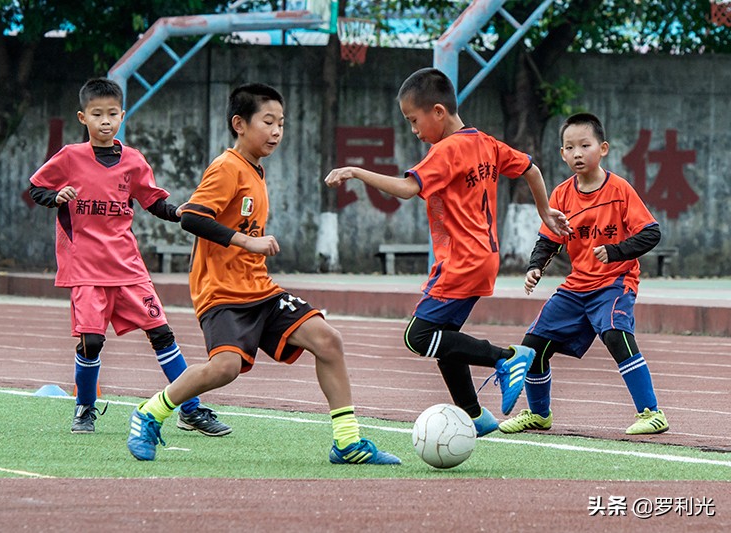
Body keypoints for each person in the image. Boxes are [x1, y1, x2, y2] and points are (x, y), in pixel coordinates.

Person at [126, 82, 400, 465]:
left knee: (327, 340)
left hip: (260, 289)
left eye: (282, 123)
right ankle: (149, 414)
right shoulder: (227, 167)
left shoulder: (255, 170)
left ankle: (347, 442)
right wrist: (246, 242)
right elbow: (190, 217)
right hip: (221, 293)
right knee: (225, 368)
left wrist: (248, 248)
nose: (276, 131)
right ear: (239, 123)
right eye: (268, 122)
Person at [324, 67, 571, 437]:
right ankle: (473, 415)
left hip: (460, 261)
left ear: (438, 112)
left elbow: (408, 189)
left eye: (413, 120)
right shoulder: (485, 142)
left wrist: (357, 172)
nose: (414, 130)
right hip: (483, 258)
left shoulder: (447, 150)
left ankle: (506, 358)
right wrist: (544, 212)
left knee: (418, 337)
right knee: (446, 340)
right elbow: (531, 169)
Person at [28, 77, 230, 437]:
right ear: (82, 117)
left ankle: (191, 409)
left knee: (163, 334)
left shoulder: (134, 161)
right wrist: (56, 196)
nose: (105, 121)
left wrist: (178, 212)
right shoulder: (70, 158)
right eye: (96, 114)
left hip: (128, 268)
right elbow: (36, 188)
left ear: (122, 115)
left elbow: (153, 201)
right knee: (91, 341)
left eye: (111, 114)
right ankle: (85, 409)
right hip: (86, 270)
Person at [499, 112, 669, 436]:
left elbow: (651, 233)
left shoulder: (620, 190)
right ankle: (538, 414)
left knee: (616, 333)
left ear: (602, 148)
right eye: (570, 147)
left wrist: (616, 251)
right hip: (577, 287)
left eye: (585, 145)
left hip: (615, 282)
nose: (578, 153)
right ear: (562, 154)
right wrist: (535, 267)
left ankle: (651, 412)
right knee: (533, 345)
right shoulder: (561, 194)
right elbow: (548, 239)